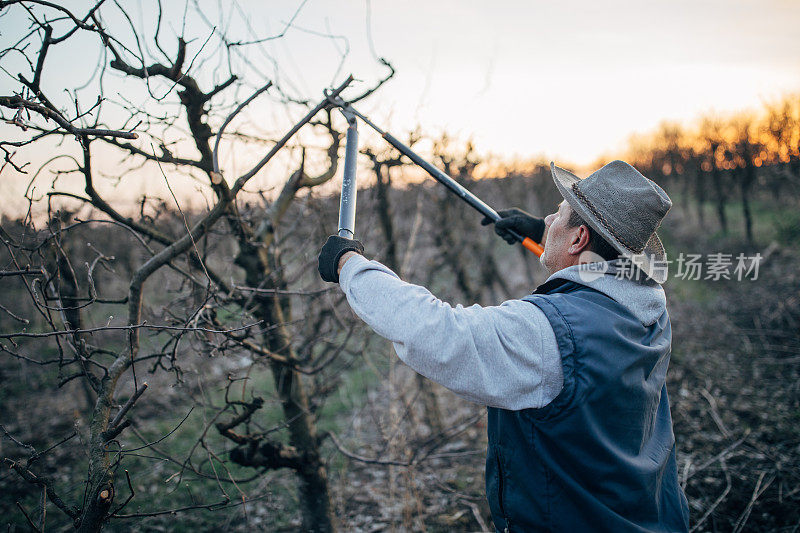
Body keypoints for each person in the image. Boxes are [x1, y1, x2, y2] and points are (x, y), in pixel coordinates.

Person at [318, 160, 690, 532]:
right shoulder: (649, 309)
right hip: (650, 517)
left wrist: (349, 266)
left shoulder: (546, 334)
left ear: (579, 240)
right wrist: (547, 238)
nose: (546, 218)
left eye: (557, 215)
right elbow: (601, 276)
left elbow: (437, 331)